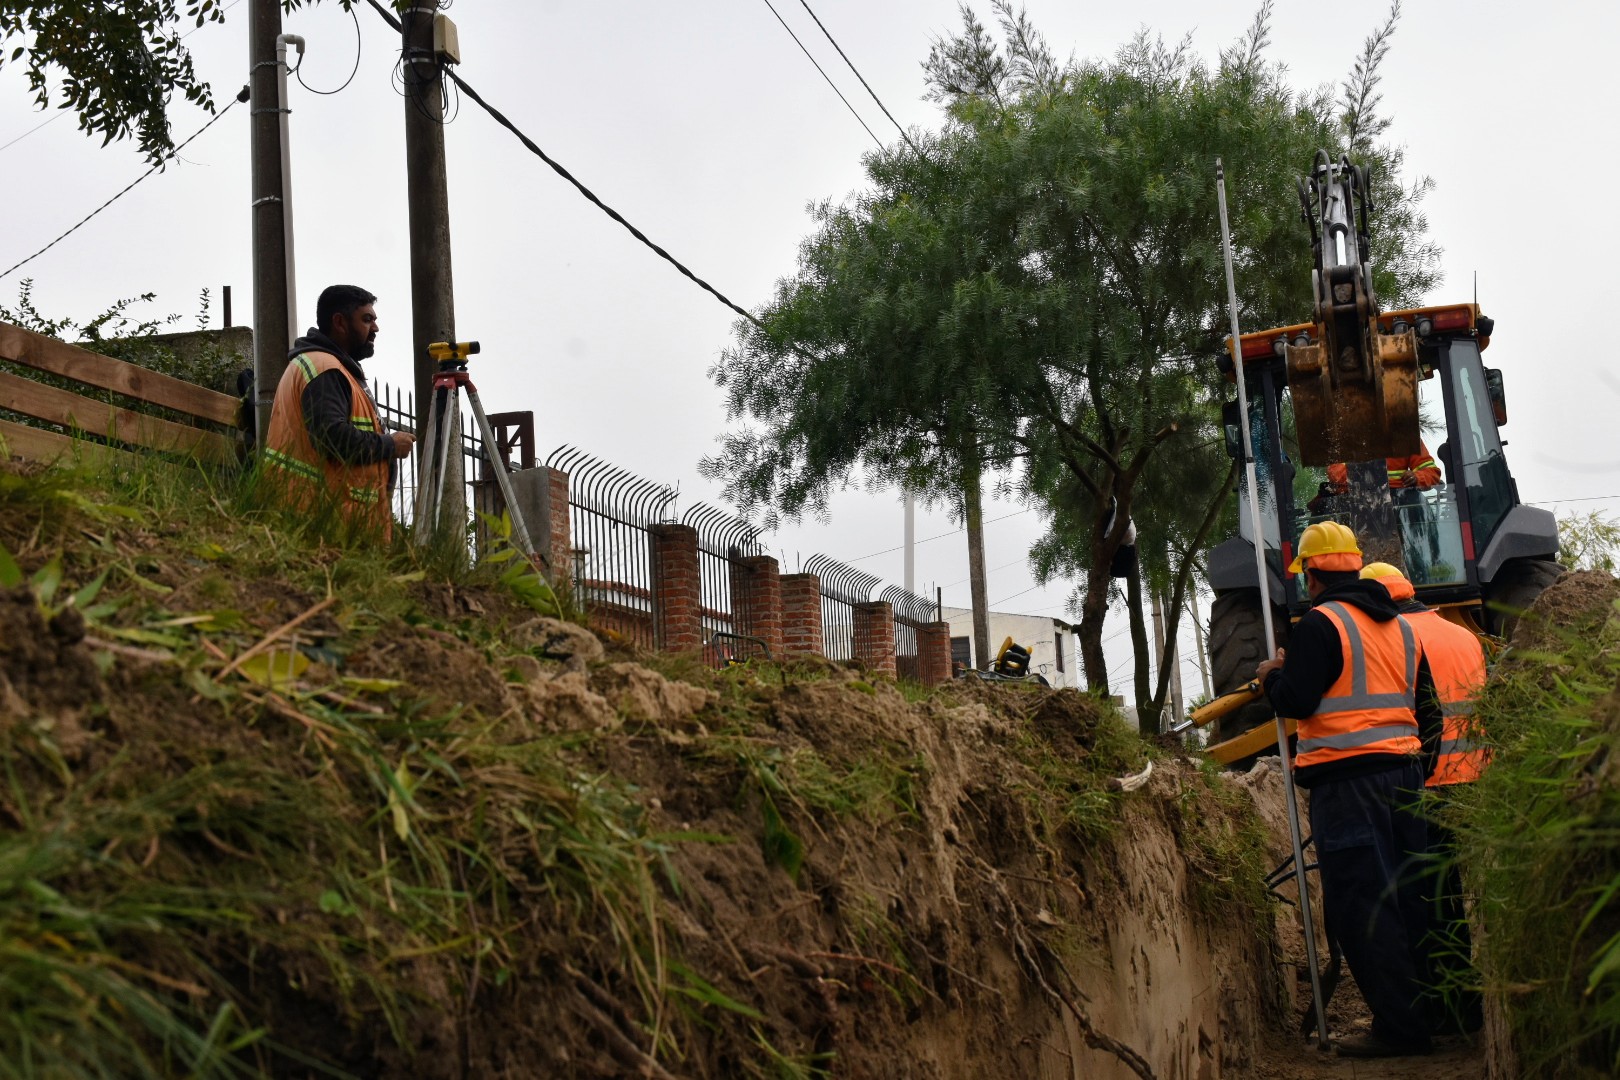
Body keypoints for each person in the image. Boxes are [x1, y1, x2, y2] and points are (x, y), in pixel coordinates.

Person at [1255, 522, 1443, 1058]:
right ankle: (1427, 1016)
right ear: (1356, 568)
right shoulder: (1404, 628)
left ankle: (1401, 1031)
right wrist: (1414, 769)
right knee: (1411, 899)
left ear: (1312, 576)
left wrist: (1271, 676)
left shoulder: (1321, 623)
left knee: (1366, 904)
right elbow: (1427, 711)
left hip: (1349, 786)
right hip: (1404, 780)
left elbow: (1295, 700)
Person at [1361, 562, 1488, 1035]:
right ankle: (1467, 998)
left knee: (1430, 901)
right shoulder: (1461, 634)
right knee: (1458, 896)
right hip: (1474, 781)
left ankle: (1450, 1005)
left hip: (1426, 785)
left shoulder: (1396, 639)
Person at [264, 285, 414, 541]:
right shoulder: (326, 370)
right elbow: (330, 438)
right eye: (367, 319)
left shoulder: (325, 366)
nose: (375, 329)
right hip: (325, 522)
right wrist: (390, 445)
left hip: (323, 518)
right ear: (339, 322)